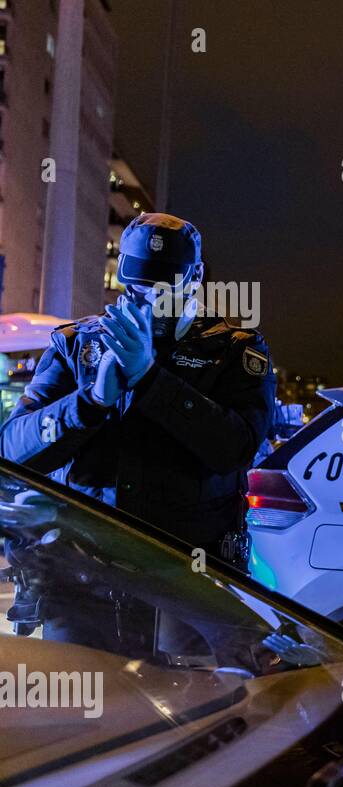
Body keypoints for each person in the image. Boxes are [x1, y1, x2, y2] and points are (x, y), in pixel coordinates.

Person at [0, 213, 275, 657]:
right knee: (86, 714)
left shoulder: (234, 351)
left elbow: (236, 448)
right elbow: (13, 448)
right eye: (138, 282)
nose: (149, 296)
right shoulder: (79, 345)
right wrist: (89, 402)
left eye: (165, 285)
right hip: (84, 580)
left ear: (196, 277)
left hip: (187, 582)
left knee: (192, 716)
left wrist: (150, 379)